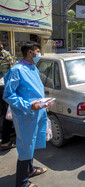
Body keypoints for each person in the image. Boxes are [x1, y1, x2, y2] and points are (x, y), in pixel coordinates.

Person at [3, 41, 50, 187]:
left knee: (32, 143)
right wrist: (29, 105)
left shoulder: (32, 68)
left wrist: (43, 104)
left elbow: (35, 90)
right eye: (37, 51)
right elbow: (9, 95)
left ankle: (29, 170)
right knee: (25, 145)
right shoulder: (17, 70)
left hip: (37, 112)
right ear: (30, 52)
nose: (38, 54)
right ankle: (22, 182)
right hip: (25, 115)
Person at [0, 41, 16, 151]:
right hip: (3, 86)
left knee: (4, 112)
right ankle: (5, 141)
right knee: (8, 114)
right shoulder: (5, 54)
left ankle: (10, 132)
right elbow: (12, 68)